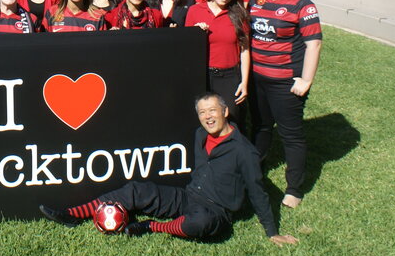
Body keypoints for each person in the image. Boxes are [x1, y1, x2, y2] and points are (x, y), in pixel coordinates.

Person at [39, 94, 298, 247]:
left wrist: (272, 232)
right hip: (189, 196)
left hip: (215, 211)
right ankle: (73, 214)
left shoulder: (244, 151)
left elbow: (258, 192)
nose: (208, 117)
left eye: (212, 111)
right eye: (202, 112)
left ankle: (151, 227)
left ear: (225, 111)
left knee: (199, 223)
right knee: (137, 190)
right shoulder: (201, 135)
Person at [248, 0, 322, 209]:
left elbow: (314, 44)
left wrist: (306, 80)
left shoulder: (302, 4)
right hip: (257, 79)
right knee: (261, 128)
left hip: (285, 83)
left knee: (291, 135)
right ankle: (255, 172)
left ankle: (294, 189)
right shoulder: (256, 0)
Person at [186, 0, 250, 132]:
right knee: (201, 119)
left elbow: (244, 50)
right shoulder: (195, 11)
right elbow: (186, 47)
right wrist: (195, 33)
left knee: (231, 120)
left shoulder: (239, 15)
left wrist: (244, 82)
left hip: (228, 77)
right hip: (202, 75)